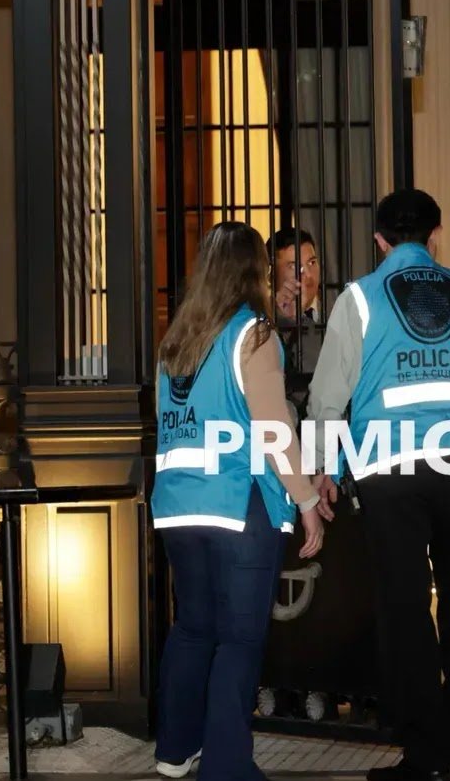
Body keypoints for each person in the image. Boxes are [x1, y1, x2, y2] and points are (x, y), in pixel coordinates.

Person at [308, 190, 450, 781]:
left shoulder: (359, 298)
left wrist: (325, 468)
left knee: (405, 605)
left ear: (379, 240)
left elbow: (328, 398)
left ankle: (424, 754)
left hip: (390, 466)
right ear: (435, 234)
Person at [151, 222, 334, 780]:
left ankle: (174, 751)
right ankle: (227, 767)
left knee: (192, 629)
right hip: (236, 503)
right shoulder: (252, 334)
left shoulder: (176, 341)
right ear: (256, 269)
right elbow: (274, 429)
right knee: (239, 639)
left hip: (177, 506)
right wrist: (305, 499)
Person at [270, 227, 323, 384]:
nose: (308, 274)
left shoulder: (337, 310)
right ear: (271, 274)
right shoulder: (262, 320)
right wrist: (286, 320)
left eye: (312, 263)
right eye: (293, 266)